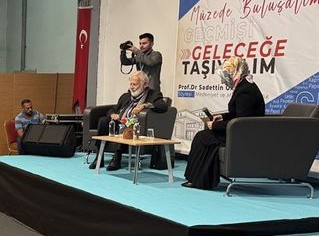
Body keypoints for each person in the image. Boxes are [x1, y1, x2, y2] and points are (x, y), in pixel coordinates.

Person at [183, 56, 265, 189]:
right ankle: (197, 178)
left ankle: (199, 180)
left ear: (234, 73)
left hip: (243, 135)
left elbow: (242, 122)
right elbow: (238, 114)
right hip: (240, 131)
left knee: (202, 137)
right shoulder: (244, 86)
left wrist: (215, 125)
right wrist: (222, 117)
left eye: (224, 76)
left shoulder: (245, 91)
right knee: (203, 136)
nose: (222, 81)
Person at [91, 71, 168, 171]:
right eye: (131, 84)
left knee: (126, 125)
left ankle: (117, 158)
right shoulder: (126, 96)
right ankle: (99, 157)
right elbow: (113, 109)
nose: (131, 87)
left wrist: (145, 105)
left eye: (134, 84)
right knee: (103, 121)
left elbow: (163, 106)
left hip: (135, 124)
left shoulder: (153, 94)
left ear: (144, 84)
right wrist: (113, 115)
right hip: (121, 120)